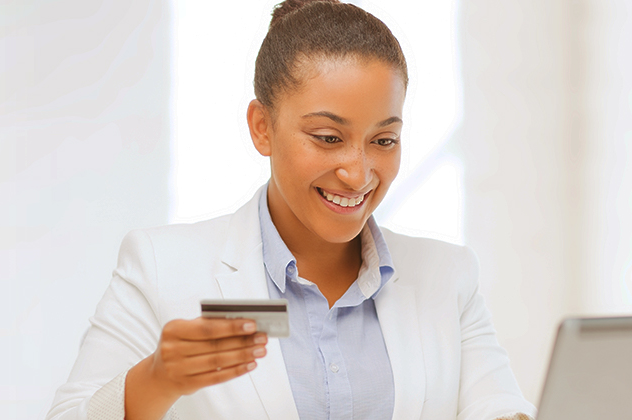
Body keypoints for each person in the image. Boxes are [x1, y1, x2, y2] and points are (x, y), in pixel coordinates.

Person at [47, 1, 534, 419]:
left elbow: (496, 408)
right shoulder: (161, 267)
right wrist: (154, 382)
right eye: (328, 138)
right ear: (262, 127)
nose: (358, 173)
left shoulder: (448, 277)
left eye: (383, 140)